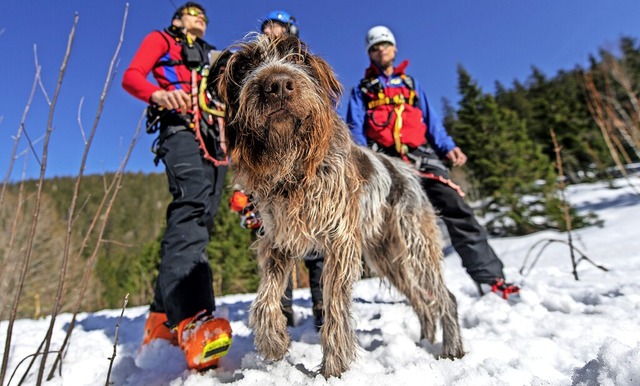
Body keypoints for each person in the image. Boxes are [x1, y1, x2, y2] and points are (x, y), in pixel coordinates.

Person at [346, 25, 520, 300]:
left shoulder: (411, 86)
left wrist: (448, 147)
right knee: (395, 223)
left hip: (421, 157)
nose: (381, 50)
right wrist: (360, 162)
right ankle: (420, 285)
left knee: (455, 205)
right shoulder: (363, 91)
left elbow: (431, 122)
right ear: (370, 54)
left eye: (385, 45)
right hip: (386, 163)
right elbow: (355, 127)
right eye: (375, 47)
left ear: (394, 48)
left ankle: (490, 279)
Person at [122, 2, 232, 370]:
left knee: (205, 217)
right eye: (190, 12)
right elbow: (133, 75)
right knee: (192, 203)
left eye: (203, 14)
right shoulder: (161, 40)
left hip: (215, 138)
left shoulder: (211, 54)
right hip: (180, 127)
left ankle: (159, 322)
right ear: (176, 19)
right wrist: (158, 94)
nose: (199, 17)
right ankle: (192, 318)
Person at [228, 11, 325, 331]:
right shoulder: (246, 73)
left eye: (279, 27)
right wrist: (243, 189)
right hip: (266, 182)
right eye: (267, 26)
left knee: (317, 248)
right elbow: (240, 134)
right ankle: (281, 315)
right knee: (274, 247)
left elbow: (320, 124)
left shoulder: (303, 69)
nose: (271, 30)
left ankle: (323, 313)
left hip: (308, 175)